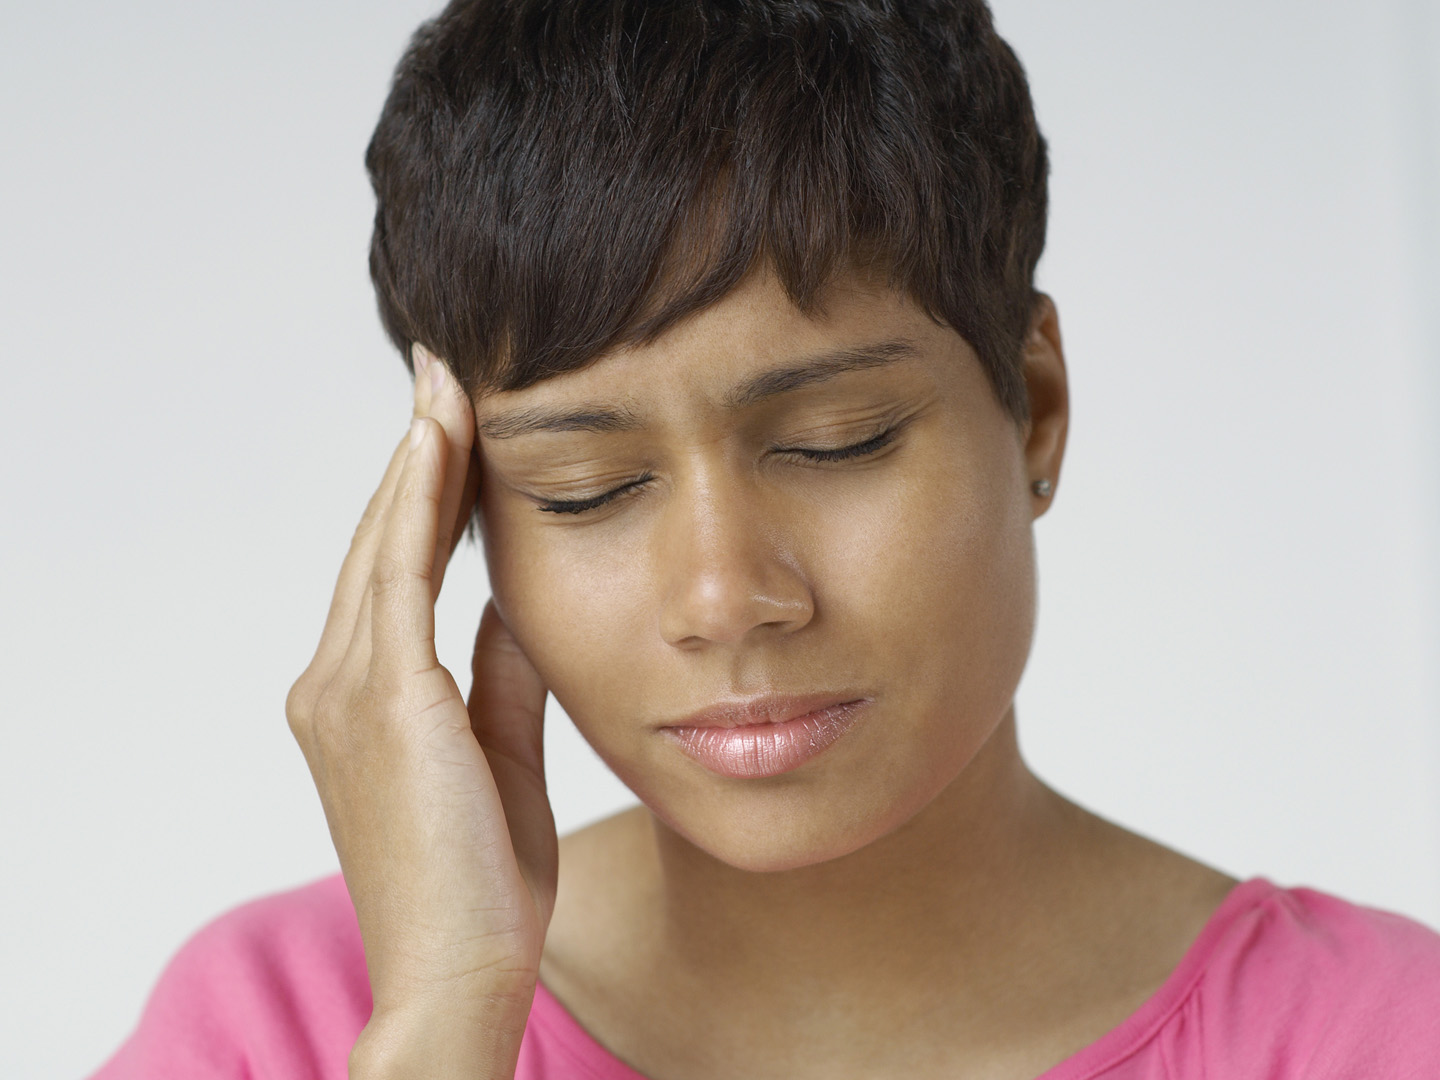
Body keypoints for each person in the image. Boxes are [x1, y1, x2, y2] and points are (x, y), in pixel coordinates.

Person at [90, 1, 1440, 1077]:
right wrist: (446, 1023)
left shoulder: (1380, 1038)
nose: (726, 597)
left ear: (1032, 407)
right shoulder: (277, 1029)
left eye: (836, 441)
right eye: (584, 486)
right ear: (457, 515)